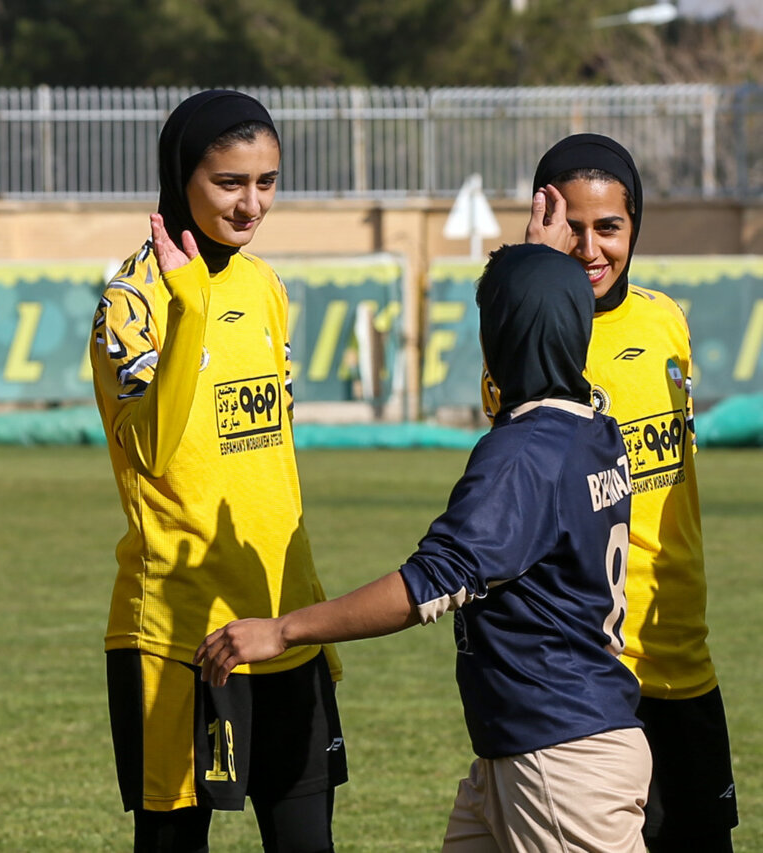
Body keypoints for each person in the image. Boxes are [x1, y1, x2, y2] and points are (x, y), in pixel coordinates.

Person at [200, 243, 651, 853]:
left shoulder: (522, 455)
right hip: (544, 744)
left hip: (558, 756)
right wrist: (536, 276)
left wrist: (282, 632)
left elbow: (427, 585)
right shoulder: (595, 426)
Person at [90, 90, 347, 853]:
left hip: (283, 617)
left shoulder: (266, 285)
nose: (252, 203)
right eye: (230, 182)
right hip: (180, 632)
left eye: (266, 181)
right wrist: (190, 310)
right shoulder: (131, 302)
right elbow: (155, 450)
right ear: (181, 175)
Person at [489, 133, 737, 852]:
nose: (590, 247)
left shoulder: (666, 321)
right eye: (570, 227)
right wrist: (530, 271)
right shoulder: (527, 343)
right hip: (590, 678)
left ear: (636, 228)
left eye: (609, 227)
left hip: (685, 657)